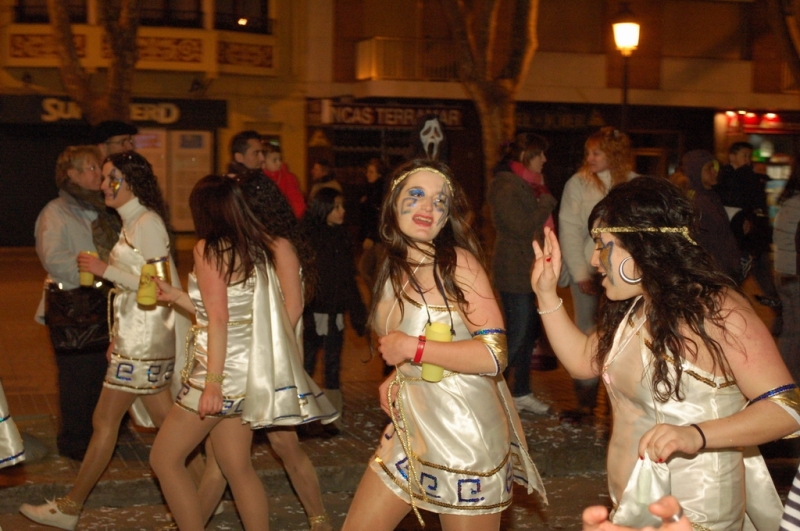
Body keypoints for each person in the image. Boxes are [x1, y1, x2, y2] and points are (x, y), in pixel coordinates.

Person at [531, 176, 800, 529]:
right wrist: (546, 294)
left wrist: (695, 434)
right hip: (633, 505)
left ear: (641, 246)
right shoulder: (638, 306)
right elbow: (583, 362)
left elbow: (787, 410)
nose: (594, 260)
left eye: (601, 245)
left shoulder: (717, 310)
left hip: (696, 513)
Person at [341, 160, 545, 531]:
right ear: (392, 203)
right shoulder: (391, 266)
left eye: (440, 202)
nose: (428, 207)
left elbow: (494, 354)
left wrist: (413, 349)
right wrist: (400, 375)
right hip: (411, 429)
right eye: (416, 195)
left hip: (464, 435)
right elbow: (418, 341)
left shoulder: (457, 264)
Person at [149, 175, 337, 531]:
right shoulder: (255, 248)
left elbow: (219, 319)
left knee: (164, 459)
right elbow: (226, 310)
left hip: (221, 370)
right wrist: (176, 296)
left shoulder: (210, 249)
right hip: (248, 371)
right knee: (236, 467)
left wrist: (213, 383)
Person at [22, 151, 186, 531]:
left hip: (145, 339)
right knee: (168, 427)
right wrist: (118, 335)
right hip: (135, 335)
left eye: (112, 177)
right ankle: (207, 492)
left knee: (106, 420)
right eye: (103, 176)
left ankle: (71, 506)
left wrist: (104, 270)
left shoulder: (146, 223)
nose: (104, 184)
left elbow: (159, 287)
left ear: (132, 182)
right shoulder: (131, 222)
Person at [33, 145, 121, 462]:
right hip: (75, 308)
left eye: (100, 168)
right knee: (78, 377)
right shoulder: (56, 211)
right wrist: (98, 276)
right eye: (92, 168)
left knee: (104, 373)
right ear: (72, 174)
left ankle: (105, 436)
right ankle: (76, 441)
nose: (99, 175)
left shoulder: (107, 209)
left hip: (108, 304)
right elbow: (54, 258)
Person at [558, 126, 637, 418]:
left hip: (626, 272)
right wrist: (580, 272)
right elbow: (569, 229)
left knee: (625, 332)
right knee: (587, 332)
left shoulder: (633, 184)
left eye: (597, 153)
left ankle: (623, 399)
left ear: (614, 155)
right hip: (590, 270)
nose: (589, 158)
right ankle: (585, 401)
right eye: (588, 153)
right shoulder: (578, 184)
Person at [487, 133, 557, 414]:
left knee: (527, 335)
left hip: (527, 267)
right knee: (516, 334)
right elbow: (520, 227)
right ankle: (490, 391)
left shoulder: (528, 183)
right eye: (540, 154)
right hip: (513, 269)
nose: (545, 159)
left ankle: (521, 392)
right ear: (526, 155)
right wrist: (546, 204)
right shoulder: (506, 185)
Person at [302, 187, 367, 431]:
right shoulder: (309, 237)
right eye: (336, 206)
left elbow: (348, 278)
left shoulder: (342, 237)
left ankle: (331, 417)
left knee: (332, 365)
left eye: (342, 206)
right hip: (313, 312)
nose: (341, 211)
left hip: (335, 312)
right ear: (323, 209)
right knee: (307, 363)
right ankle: (303, 414)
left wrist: (358, 312)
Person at [715, 141, 781, 313]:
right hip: (739, 242)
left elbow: (757, 205)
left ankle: (780, 314)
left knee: (764, 281)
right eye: (744, 155)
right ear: (732, 156)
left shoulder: (750, 176)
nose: (747, 160)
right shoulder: (725, 177)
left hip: (754, 240)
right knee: (734, 281)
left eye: (749, 156)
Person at [681, 150, 742, 281]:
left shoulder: (710, 196)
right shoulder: (696, 201)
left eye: (715, 168)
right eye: (709, 168)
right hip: (712, 271)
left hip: (721, 269)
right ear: (696, 171)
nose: (715, 172)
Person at [774, 162, 800, 384]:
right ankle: (790, 381)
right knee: (795, 334)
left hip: (783, 272)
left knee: (790, 331)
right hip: (795, 274)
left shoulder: (788, 202)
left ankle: (783, 380)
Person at [358, 157, 389, 291]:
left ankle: (379, 297)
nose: (368, 175)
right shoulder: (369, 190)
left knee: (376, 272)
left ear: (379, 174)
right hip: (372, 237)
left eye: (371, 172)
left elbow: (379, 218)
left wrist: (371, 236)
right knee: (364, 269)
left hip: (379, 239)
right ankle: (377, 296)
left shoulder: (380, 192)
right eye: (367, 171)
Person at [262, 141, 306, 218]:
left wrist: (298, 217)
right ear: (263, 162)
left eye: (280, 159)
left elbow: (296, 200)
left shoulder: (288, 178)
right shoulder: (260, 178)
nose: (279, 163)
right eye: (274, 160)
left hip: (285, 217)